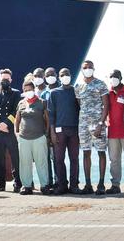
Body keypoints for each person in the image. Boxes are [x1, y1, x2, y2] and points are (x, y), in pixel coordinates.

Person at [74, 61, 108, 194]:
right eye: (85, 68)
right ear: (81, 70)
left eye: (89, 67)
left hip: (98, 124)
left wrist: (101, 123)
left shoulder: (100, 84)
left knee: (101, 152)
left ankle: (101, 184)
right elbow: (79, 104)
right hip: (83, 124)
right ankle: (88, 184)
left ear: (94, 68)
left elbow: (106, 105)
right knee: (86, 152)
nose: (87, 69)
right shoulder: (78, 86)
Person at [15, 80, 52, 195]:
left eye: (30, 90)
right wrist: (17, 133)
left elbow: (47, 119)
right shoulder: (21, 103)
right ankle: (26, 186)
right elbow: (17, 119)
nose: (28, 92)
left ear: (34, 89)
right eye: (25, 90)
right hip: (24, 138)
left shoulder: (41, 102)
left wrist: (46, 134)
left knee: (42, 162)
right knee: (25, 163)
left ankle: (44, 185)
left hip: (39, 137)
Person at [0, 68, 22, 192]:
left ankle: (18, 182)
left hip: (11, 130)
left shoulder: (16, 93)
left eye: (7, 79)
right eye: (3, 79)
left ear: (11, 80)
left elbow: (16, 110)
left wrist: (7, 124)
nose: (5, 81)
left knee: (15, 157)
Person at [49, 67, 82, 195]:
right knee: (59, 159)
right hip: (59, 131)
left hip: (74, 130)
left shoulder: (76, 91)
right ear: (59, 77)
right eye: (62, 75)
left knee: (74, 158)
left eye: (67, 74)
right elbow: (51, 114)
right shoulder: (54, 93)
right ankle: (62, 185)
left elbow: (80, 110)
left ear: (70, 75)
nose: (65, 76)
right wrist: (52, 132)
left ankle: (74, 185)